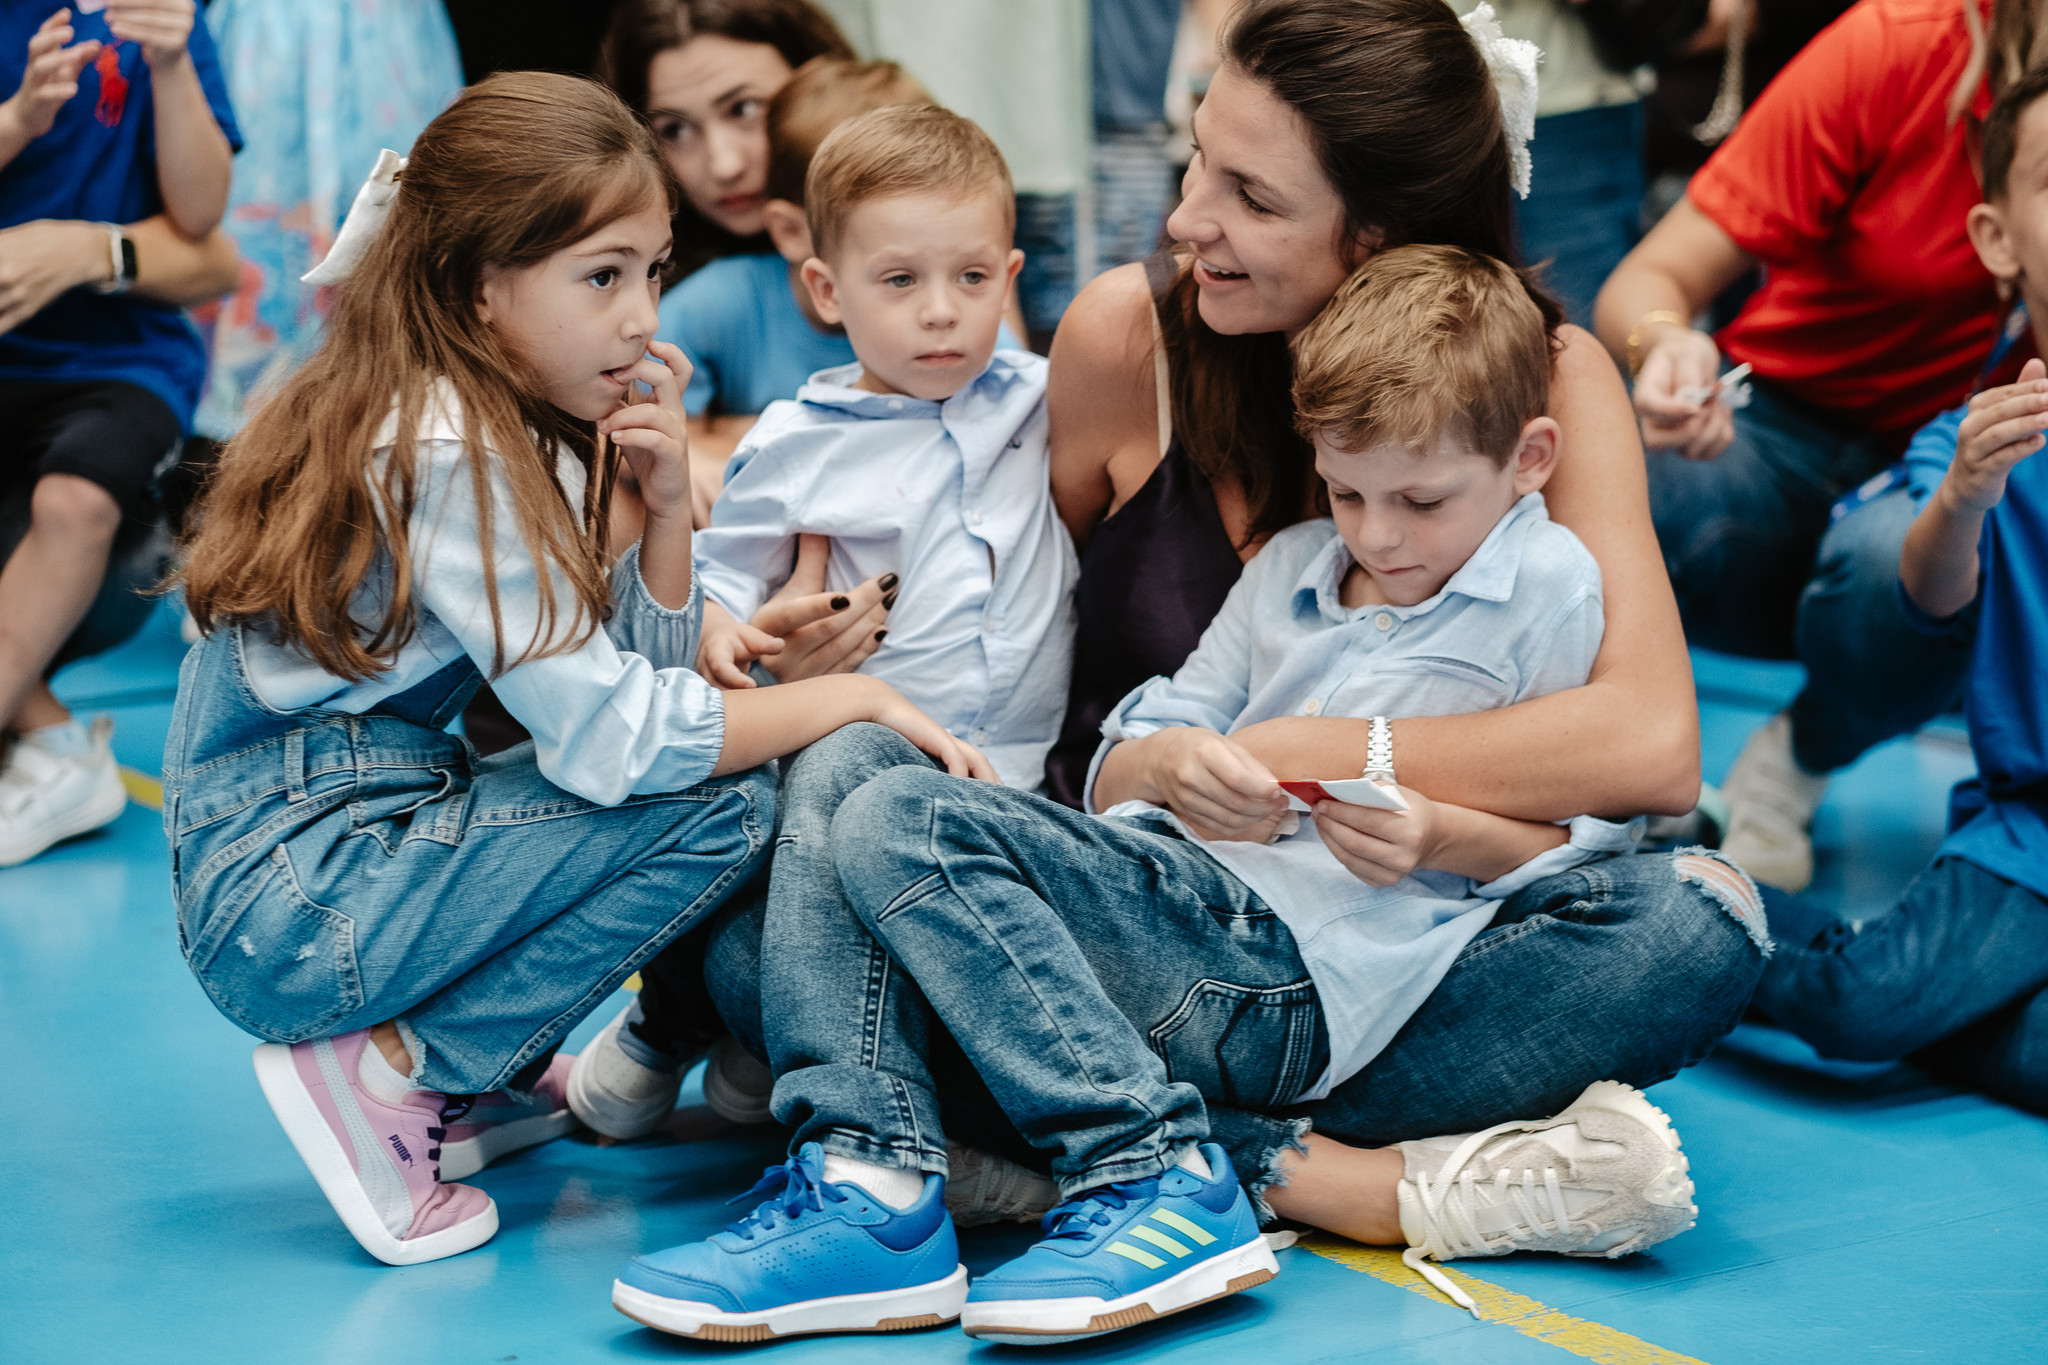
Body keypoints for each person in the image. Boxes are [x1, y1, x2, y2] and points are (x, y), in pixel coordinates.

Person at [605, 243, 1703, 1348]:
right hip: (1171, 906)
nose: (1376, 532)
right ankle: (871, 1190)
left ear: (1529, 460)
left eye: (1418, 499)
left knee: (900, 823)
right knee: (846, 755)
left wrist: (1439, 828)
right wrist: (1172, 765)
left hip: (1292, 972)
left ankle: (1149, 1166)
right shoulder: (1291, 568)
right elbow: (1132, 746)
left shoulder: (1549, 581)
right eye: (1345, 489)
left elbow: (1594, 834)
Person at [164, 71, 988, 1268]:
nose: (643, 316)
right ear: (477, 288)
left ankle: (463, 1065)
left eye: (652, 271)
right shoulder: (447, 447)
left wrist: (661, 520)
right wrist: (851, 696)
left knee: (700, 785)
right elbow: (625, 747)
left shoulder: (496, 417)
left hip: (341, 856)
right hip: (300, 901)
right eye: (601, 277)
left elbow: (621, 692)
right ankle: (397, 1072)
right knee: (727, 803)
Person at [568, 102, 1075, 1149]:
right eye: (899, 282)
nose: (941, 314)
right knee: (778, 861)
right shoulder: (799, 441)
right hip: (846, 755)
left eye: (971, 280)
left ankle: (763, 1047)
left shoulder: (1041, 400)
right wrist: (722, 634)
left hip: (1010, 778)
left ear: (1011, 277)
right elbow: (716, 574)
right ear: (824, 290)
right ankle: (668, 1028)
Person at [1593, 0, 2023, 891]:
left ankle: (1801, 752)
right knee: (1607, 486)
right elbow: (1651, 281)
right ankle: (1614, 757)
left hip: (1960, 484)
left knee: (1933, 545)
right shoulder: (1898, 46)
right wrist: (1667, 347)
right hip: (1773, 440)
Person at [1752, 66, 2048, 1117]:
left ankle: (1962, 1017)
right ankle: (1693, 910)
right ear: (1996, 239)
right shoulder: (1975, 441)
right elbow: (1924, 593)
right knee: (1858, 1007)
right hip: (2033, 845)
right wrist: (1969, 493)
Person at [0, 2, 239, 866]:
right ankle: (54, 741)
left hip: (118, 362)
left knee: (76, 498)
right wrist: (20, 118)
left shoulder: (171, 22)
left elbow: (205, 217)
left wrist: (172, 67)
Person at [656, 56, 932, 521]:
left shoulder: (948, 316)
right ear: (790, 230)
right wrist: (694, 456)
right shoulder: (720, 302)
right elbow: (622, 429)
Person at [597, 0, 853, 473]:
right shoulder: (657, 296)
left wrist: (730, 430)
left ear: (818, 83)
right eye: (674, 129)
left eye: (745, 109)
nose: (723, 164)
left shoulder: (921, 221)